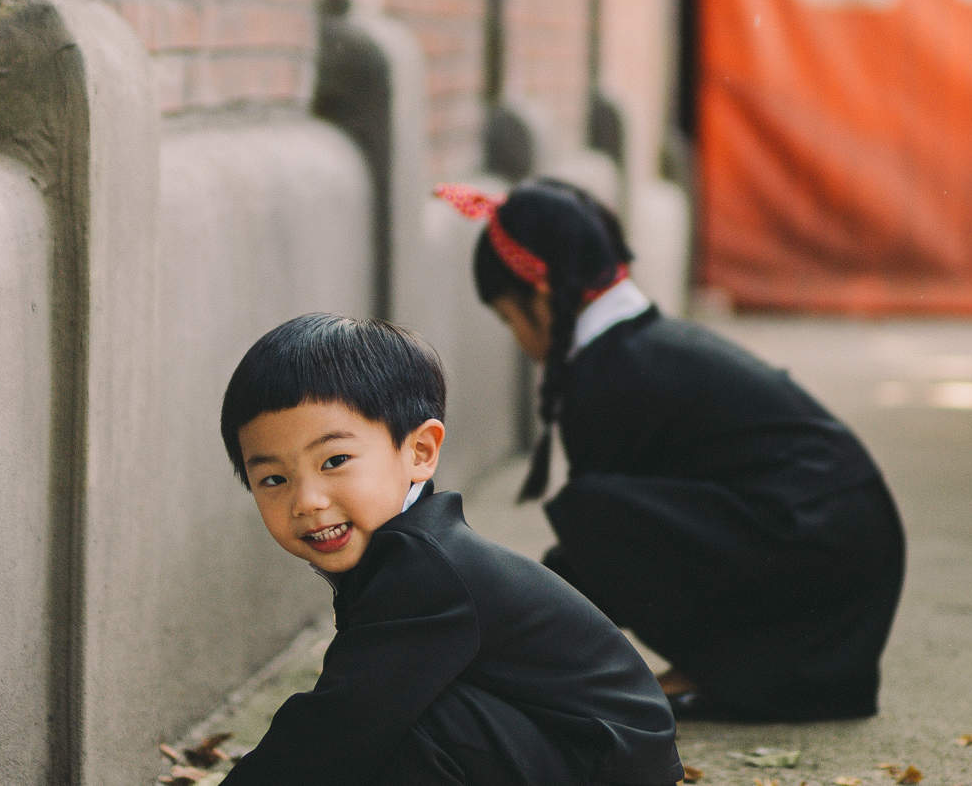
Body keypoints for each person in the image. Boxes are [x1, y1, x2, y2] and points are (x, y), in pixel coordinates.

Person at [436, 178, 907, 722]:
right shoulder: (641, 346)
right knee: (600, 516)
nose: (517, 337)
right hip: (843, 550)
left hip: (819, 549)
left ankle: (725, 674)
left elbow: (598, 555)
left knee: (592, 512)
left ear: (540, 298)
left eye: (507, 318)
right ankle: (736, 673)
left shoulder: (607, 375)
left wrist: (502, 638)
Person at [216, 313, 684, 786]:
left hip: (606, 764)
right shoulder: (398, 556)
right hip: (576, 753)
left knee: (400, 723)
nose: (307, 501)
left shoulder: (425, 567)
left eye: (334, 461)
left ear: (420, 451)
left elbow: (337, 724)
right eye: (273, 479)